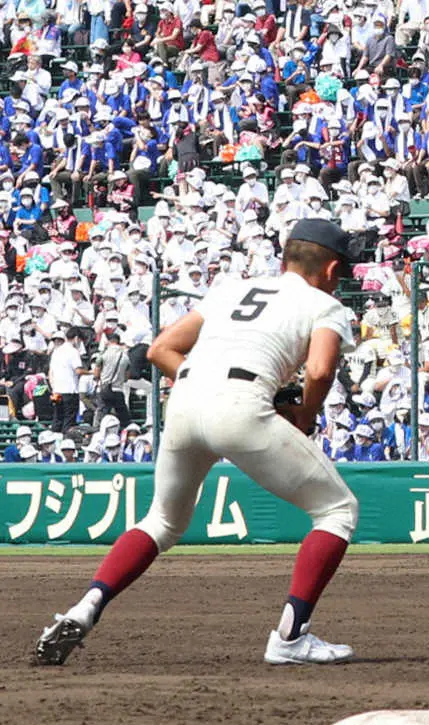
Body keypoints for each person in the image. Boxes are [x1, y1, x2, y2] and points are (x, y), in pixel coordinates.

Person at [35, 219, 362, 667]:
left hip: (185, 401)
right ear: (330, 269)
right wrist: (303, 414)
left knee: (161, 522)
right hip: (243, 404)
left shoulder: (232, 290)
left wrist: (209, 384)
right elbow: (321, 371)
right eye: (341, 273)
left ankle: (85, 606)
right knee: (337, 510)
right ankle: (291, 637)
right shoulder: (324, 304)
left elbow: (159, 350)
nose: (340, 281)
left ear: (285, 257)